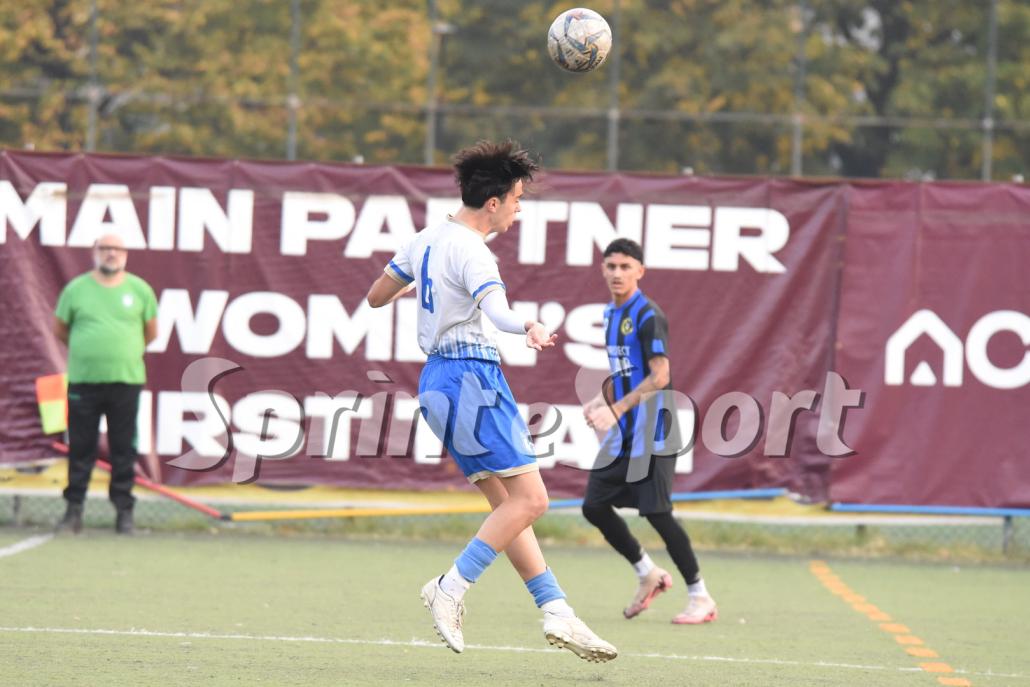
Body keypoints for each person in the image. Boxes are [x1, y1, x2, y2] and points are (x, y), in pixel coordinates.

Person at [366, 140, 617, 662]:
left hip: (436, 382)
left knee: (510, 507)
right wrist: (528, 325)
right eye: (517, 199)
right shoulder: (473, 250)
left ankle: (556, 610)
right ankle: (450, 587)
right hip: (471, 378)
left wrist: (427, 289)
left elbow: (376, 296)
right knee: (533, 502)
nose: (519, 210)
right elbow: (498, 312)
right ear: (494, 202)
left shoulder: (425, 239)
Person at [580, 238, 717, 625]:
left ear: (640, 271)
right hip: (625, 433)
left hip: (654, 431)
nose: (617, 273)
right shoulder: (610, 313)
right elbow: (627, 371)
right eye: (611, 266)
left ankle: (701, 597)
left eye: (626, 266)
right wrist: (601, 399)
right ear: (603, 269)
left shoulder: (648, 315)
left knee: (657, 513)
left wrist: (617, 409)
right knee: (593, 506)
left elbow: (660, 376)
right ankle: (648, 573)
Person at [53, 233, 158, 535]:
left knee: (123, 448)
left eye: (117, 248)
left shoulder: (140, 290)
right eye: (105, 248)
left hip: (126, 381)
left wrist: (122, 351)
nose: (111, 253)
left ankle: (124, 513)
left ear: (125, 253)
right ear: (95, 251)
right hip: (84, 381)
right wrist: (89, 351)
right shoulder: (76, 289)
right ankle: (74, 511)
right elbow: (60, 329)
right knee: (81, 447)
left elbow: (150, 332)